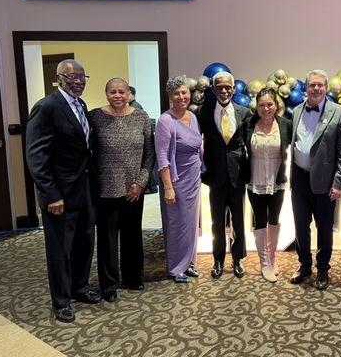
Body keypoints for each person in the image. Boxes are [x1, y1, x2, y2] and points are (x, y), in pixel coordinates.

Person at [26, 59, 100, 323]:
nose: (78, 81)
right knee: (59, 249)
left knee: (84, 241)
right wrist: (50, 195)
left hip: (84, 189)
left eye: (82, 77)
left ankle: (79, 287)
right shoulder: (46, 107)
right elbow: (36, 156)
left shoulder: (81, 105)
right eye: (72, 77)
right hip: (60, 194)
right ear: (58, 78)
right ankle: (61, 301)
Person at [89, 78, 154, 302]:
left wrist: (140, 183)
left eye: (122, 92)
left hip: (133, 189)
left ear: (129, 94)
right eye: (113, 92)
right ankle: (109, 284)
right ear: (106, 94)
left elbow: (149, 155)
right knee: (107, 240)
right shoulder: (95, 116)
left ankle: (133, 277)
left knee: (133, 236)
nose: (117, 95)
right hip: (104, 190)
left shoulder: (141, 117)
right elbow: (89, 153)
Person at [289, 69, 341, 290]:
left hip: (325, 182)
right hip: (299, 179)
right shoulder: (296, 111)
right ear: (305, 87)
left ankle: (323, 268)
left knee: (324, 227)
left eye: (320, 85)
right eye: (311, 85)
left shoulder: (339, 112)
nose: (315, 89)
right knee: (300, 227)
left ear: (326, 88)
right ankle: (304, 265)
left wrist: (338, 183)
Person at [197, 71, 249, 279]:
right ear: (213, 89)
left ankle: (237, 258)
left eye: (228, 87)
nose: (224, 90)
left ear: (234, 89)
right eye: (219, 87)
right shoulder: (203, 112)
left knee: (238, 220)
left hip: (238, 175)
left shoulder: (244, 112)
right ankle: (218, 259)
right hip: (215, 175)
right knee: (217, 222)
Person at [155, 76, 204, 283]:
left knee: (191, 224)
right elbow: (163, 156)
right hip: (175, 180)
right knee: (177, 224)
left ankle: (189, 263)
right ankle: (176, 268)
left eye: (184, 92)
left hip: (193, 177)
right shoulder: (165, 120)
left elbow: (198, 144)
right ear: (170, 96)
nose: (181, 96)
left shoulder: (192, 116)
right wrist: (168, 187)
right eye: (176, 93)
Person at [243, 88, 292, 283]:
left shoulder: (285, 125)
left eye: (269, 104)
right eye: (261, 105)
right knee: (260, 221)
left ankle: (272, 258)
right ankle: (264, 262)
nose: (266, 108)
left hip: (277, 182)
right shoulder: (248, 125)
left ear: (276, 105)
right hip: (255, 181)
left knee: (274, 219)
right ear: (257, 106)